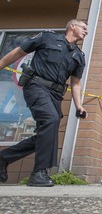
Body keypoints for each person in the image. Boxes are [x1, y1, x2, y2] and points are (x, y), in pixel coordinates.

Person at [0, 19, 88, 187]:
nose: (86, 31)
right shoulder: (48, 37)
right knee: (51, 120)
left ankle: (3, 158)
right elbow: (19, 52)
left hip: (55, 94)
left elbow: (76, 83)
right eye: (84, 27)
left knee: (47, 133)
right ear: (72, 26)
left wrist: (79, 106)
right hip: (36, 86)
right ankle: (39, 173)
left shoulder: (79, 56)